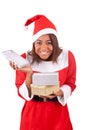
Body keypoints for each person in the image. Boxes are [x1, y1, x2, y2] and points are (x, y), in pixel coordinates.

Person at [10, 14, 76, 130]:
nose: (44, 47)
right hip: (32, 116)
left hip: (59, 115)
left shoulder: (67, 57)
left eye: (49, 42)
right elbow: (21, 92)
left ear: (55, 43)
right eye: (39, 42)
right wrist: (29, 73)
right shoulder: (24, 59)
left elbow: (71, 82)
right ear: (34, 43)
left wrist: (60, 92)